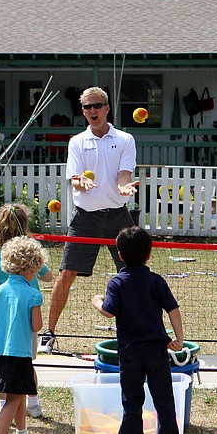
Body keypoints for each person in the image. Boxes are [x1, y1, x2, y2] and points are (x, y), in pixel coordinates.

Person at [39, 86, 139, 354]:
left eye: (97, 106)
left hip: (118, 216)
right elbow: (75, 178)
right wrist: (80, 182)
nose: (92, 111)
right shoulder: (77, 142)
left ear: (107, 108)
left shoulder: (125, 139)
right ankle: (48, 333)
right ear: (83, 111)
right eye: (87, 107)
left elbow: (124, 175)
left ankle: (141, 331)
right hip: (85, 217)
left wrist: (124, 188)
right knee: (66, 274)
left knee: (134, 275)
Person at [91, 226, 188, 434]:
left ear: (120, 255)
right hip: (156, 349)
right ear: (149, 254)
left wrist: (96, 301)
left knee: (132, 400)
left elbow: (108, 312)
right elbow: (173, 309)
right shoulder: (156, 281)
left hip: (130, 351)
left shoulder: (117, 283)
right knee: (163, 398)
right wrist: (179, 338)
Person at [0, 204, 54, 424]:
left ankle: (10, 407)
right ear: (24, 225)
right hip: (25, 317)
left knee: (6, 367)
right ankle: (32, 404)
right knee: (26, 363)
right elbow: (49, 276)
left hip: (4, 320)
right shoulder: (30, 252)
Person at [0, 236, 46, 434]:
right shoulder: (33, 294)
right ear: (33, 268)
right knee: (15, 398)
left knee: (18, 394)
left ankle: (22, 432)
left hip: (1, 352)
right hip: (21, 353)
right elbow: (37, 325)